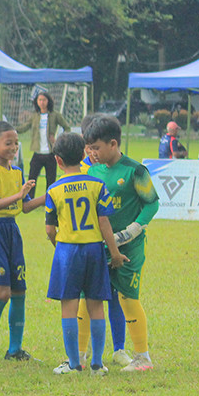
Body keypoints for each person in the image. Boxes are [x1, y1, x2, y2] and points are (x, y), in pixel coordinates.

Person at [80, 114, 159, 371]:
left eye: (96, 147)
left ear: (113, 144)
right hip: (97, 247)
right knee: (85, 297)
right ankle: (79, 356)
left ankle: (142, 358)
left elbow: (152, 203)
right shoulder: (93, 171)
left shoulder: (135, 170)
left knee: (127, 298)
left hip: (129, 248)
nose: (92, 152)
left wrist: (131, 231)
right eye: (89, 148)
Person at [44, 132, 128, 376]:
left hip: (67, 251)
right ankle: (97, 364)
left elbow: (50, 230)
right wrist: (114, 254)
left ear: (58, 161)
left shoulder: (53, 189)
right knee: (96, 306)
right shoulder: (97, 185)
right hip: (94, 249)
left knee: (69, 306)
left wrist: (58, 246)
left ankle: (73, 363)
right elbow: (105, 223)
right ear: (83, 155)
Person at [0, 120, 45, 364]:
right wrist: (18, 194)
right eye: (9, 143)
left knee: (19, 291)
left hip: (12, 231)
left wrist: (50, 196)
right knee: (2, 293)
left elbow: (23, 207)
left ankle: (14, 349)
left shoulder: (17, 171)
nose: (14, 147)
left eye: (16, 142)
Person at [16, 92, 71, 194]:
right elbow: (24, 127)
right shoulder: (35, 116)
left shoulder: (55, 115)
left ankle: (49, 200)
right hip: (38, 152)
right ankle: (29, 199)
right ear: (36, 102)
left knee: (51, 179)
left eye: (44, 100)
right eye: (39, 100)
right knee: (32, 177)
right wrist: (12, 129)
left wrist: (58, 139)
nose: (42, 102)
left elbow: (67, 128)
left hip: (51, 153)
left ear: (48, 101)